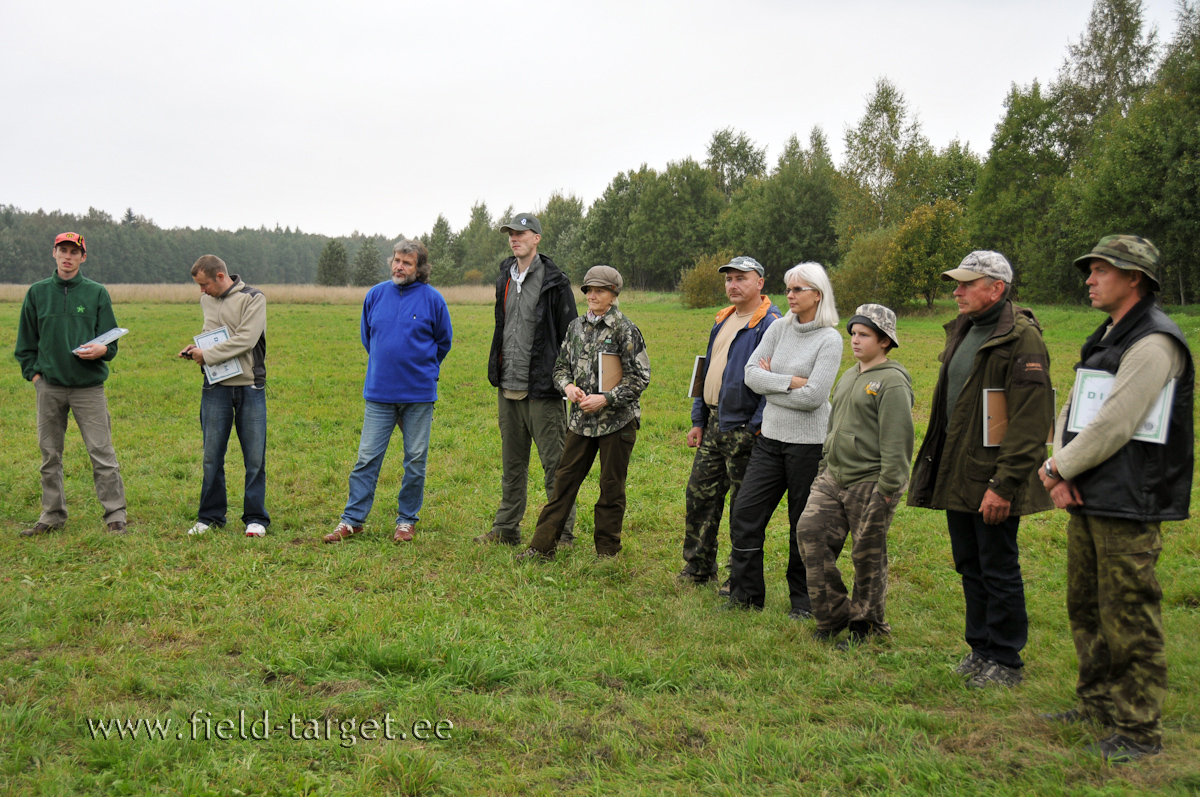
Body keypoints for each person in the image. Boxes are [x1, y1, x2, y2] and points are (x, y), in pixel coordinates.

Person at [1038, 235, 1192, 763]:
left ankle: (1139, 727)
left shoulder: (1155, 343)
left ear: (1136, 279)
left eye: (1102, 270)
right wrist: (1057, 467)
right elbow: (1077, 405)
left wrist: (1060, 466)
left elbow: (1117, 422)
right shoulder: (1107, 335)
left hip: (1130, 497)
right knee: (1085, 605)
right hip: (1089, 490)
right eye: (1091, 270)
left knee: (1128, 610)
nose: (1089, 279)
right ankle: (1098, 702)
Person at [908, 251, 1054, 688]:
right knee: (969, 562)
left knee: (997, 564)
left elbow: (1030, 423)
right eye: (957, 283)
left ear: (997, 288)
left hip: (993, 477)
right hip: (959, 468)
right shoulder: (966, 330)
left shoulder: (1022, 338)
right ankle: (980, 649)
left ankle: (1006, 659)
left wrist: (1004, 485)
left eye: (967, 284)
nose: (957, 291)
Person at [724, 262, 842, 616]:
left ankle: (803, 602)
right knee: (745, 513)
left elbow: (815, 397)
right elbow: (750, 375)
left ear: (817, 295)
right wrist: (790, 381)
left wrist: (772, 379)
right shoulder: (777, 327)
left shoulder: (829, 339)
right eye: (788, 289)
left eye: (798, 290)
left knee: (802, 524)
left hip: (808, 445)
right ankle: (745, 597)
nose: (790, 295)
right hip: (770, 439)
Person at [797, 304, 913, 646]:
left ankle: (867, 626)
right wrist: (824, 467)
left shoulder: (892, 382)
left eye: (864, 335)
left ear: (885, 341)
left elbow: (898, 439)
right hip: (834, 476)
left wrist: (888, 487)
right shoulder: (849, 376)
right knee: (810, 533)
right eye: (853, 334)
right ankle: (831, 616)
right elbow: (834, 426)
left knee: (867, 555)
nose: (855, 341)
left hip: (872, 482)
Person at [323, 240, 453, 544]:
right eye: (396, 260)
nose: (399, 266)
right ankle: (353, 520)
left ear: (419, 268)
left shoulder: (433, 300)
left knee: (415, 461)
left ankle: (406, 521)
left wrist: (425, 370)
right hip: (379, 394)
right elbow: (367, 337)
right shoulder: (376, 295)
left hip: (418, 396)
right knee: (366, 458)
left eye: (407, 263)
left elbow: (443, 342)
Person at [517, 266, 650, 560]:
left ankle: (607, 552)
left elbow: (640, 377)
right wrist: (567, 387)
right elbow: (561, 366)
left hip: (617, 422)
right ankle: (541, 547)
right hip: (580, 422)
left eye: (599, 290)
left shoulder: (625, 329)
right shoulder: (575, 327)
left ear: (613, 295)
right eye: (589, 290)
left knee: (611, 488)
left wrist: (606, 399)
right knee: (563, 483)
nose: (592, 295)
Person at [14, 232, 128, 536]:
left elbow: (112, 343)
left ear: (83, 257)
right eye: (62, 250)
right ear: (53, 253)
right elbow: (25, 344)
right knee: (49, 454)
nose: (68, 256)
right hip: (49, 387)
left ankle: (115, 515)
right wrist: (35, 376)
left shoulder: (97, 293)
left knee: (102, 452)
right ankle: (51, 515)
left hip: (89, 388)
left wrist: (103, 350)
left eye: (74, 252)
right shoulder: (37, 293)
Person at [679, 256, 782, 586]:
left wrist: (758, 424)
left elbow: (774, 378)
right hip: (712, 424)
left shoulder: (769, 324)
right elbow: (706, 370)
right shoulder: (723, 320)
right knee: (699, 497)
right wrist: (698, 419)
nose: (733, 285)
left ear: (760, 283)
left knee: (744, 509)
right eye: (729, 279)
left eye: (741, 278)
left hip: (744, 430)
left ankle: (739, 579)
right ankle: (698, 567)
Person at [478, 213, 579, 547]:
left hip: (543, 391)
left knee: (556, 466)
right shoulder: (504, 277)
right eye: (511, 234)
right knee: (512, 464)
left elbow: (570, 335)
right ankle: (506, 529)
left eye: (521, 233)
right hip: (508, 387)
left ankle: (561, 534)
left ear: (537, 238)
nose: (514, 238)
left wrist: (566, 380)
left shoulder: (555, 281)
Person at [178, 255, 270, 537]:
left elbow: (246, 339)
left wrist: (207, 355)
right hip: (214, 387)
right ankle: (210, 517)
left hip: (249, 386)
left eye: (204, 284)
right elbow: (212, 334)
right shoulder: (207, 300)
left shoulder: (253, 298)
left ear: (221, 277)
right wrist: (195, 349)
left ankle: (255, 518)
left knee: (254, 458)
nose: (201, 291)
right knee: (211, 456)